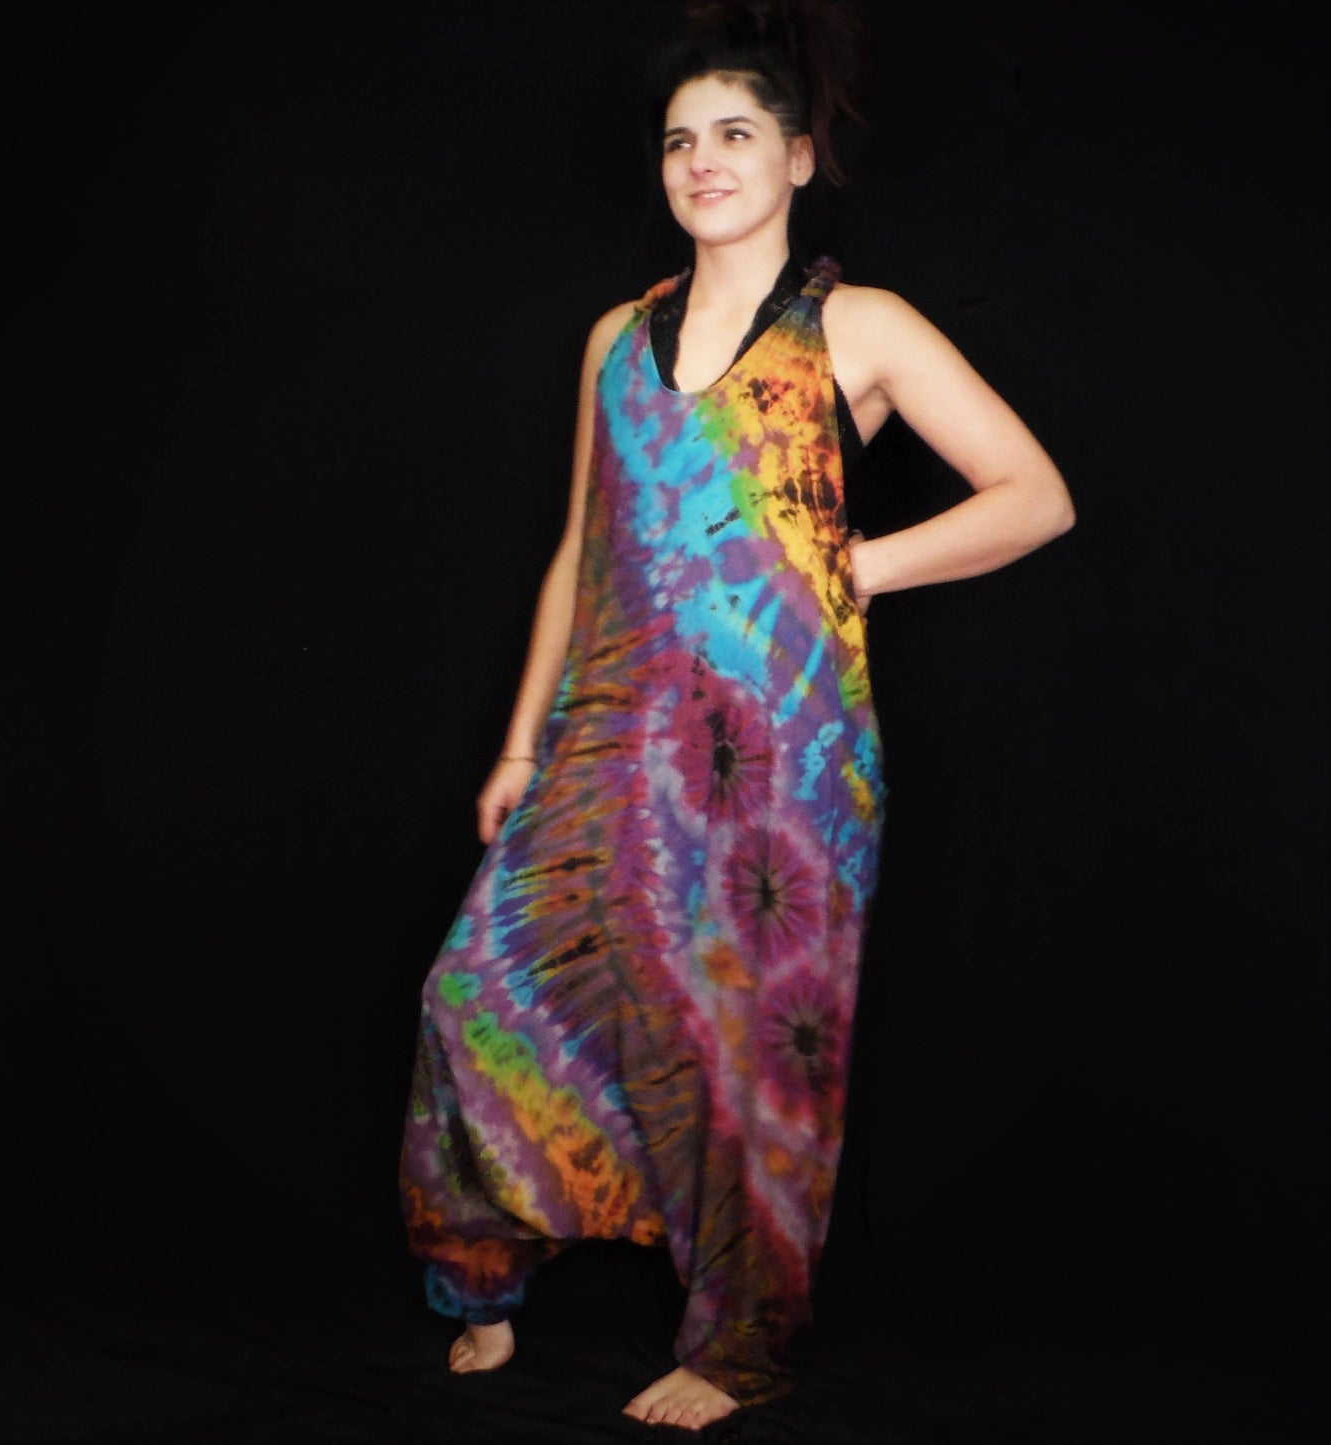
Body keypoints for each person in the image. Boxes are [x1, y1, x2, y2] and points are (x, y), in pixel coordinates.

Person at [398, 0, 1074, 1430]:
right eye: (678, 142)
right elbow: (581, 550)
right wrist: (520, 742)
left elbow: (1035, 498)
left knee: (749, 1045)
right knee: (475, 995)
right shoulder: (614, 336)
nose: (702, 161)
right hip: (607, 739)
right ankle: (480, 1276)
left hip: (780, 759)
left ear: (799, 156)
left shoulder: (858, 325)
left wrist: (845, 568)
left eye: (734, 135)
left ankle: (734, 1347)